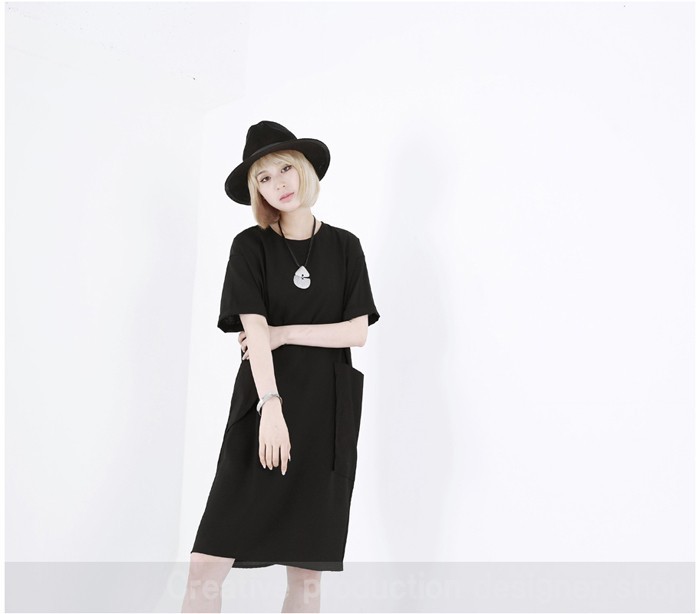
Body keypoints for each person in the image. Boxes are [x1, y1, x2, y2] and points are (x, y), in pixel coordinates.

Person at [181, 120, 380, 613]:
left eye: (285, 169)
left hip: (326, 415)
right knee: (206, 567)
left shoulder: (345, 246)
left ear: (305, 170)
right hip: (264, 406)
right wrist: (270, 406)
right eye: (264, 178)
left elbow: (356, 331)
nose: (278, 184)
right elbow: (254, 330)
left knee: (307, 580)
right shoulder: (250, 246)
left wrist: (285, 332)